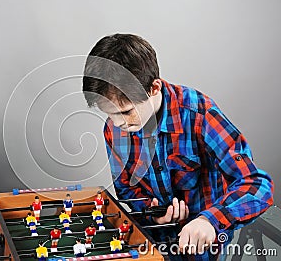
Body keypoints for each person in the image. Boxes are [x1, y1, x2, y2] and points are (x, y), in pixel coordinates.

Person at [82, 33, 273, 259]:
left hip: (204, 245)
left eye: (125, 111)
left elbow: (256, 184)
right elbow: (126, 189)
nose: (119, 123)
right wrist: (153, 214)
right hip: (150, 243)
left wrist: (209, 220)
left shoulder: (199, 113)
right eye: (109, 114)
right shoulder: (112, 129)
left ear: (154, 88)